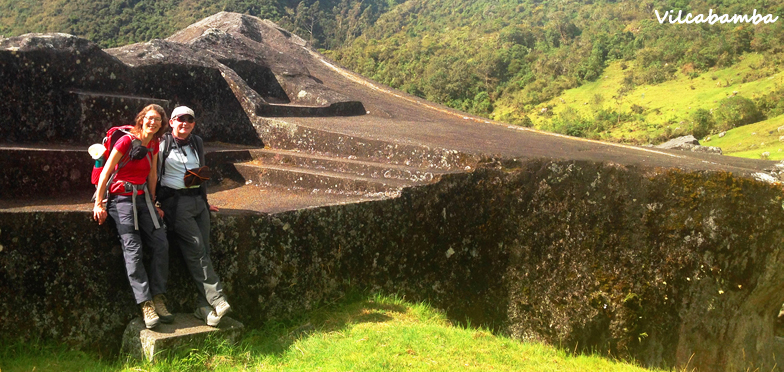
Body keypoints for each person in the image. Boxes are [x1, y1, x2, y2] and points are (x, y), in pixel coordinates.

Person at [93, 104, 174, 329]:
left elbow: (152, 173)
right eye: (150, 118)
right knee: (133, 249)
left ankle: (158, 297)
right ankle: (145, 303)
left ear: (162, 124)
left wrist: (154, 201)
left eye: (157, 120)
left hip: (143, 199)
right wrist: (99, 203)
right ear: (141, 120)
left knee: (161, 244)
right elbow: (108, 170)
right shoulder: (126, 141)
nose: (153, 122)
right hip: (121, 200)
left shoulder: (155, 143)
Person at [157, 106, 231, 327]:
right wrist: (154, 202)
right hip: (175, 204)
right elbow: (153, 175)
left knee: (204, 251)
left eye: (189, 120)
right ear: (171, 122)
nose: (185, 123)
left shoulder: (196, 142)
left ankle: (203, 307)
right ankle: (217, 299)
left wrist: (206, 202)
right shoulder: (162, 143)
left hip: (198, 202)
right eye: (180, 119)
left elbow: (200, 174)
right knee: (197, 249)